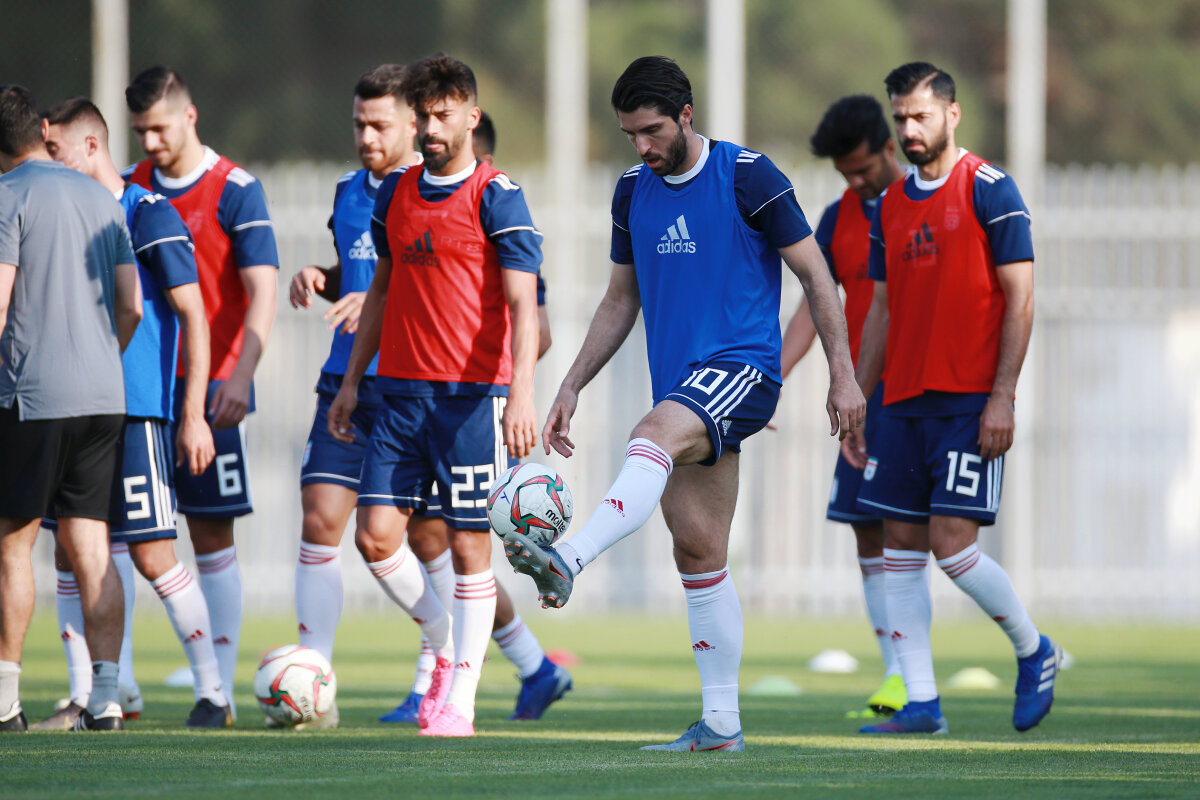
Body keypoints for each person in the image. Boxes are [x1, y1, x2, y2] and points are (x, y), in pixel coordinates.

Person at [503, 56, 865, 751]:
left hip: (742, 370)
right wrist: (572, 382)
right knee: (698, 551)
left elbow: (817, 276)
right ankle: (721, 725)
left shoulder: (748, 175)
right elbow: (620, 299)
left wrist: (841, 376)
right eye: (630, 134)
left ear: (686, 115)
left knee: (650, 437)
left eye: (653, 130)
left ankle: (567, 559)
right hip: (681, 387)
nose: (642, 145)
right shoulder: (630, 192)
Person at [286, 67, 566, 727]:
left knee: (468, 549)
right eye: (426, 116)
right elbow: (379, 292)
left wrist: (521, 393)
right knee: (376, 538)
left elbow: (525, 307)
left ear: (471, 116)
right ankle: (444, 643)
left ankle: (459, 705)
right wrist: (351, 382)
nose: (433, 129)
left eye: (445, 115)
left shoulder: (499, 197)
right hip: (399, 396)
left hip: (471, 401)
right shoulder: (396, 193)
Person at [851, 62, 1060, 735]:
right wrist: (858, 397)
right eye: (900, 118)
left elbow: (1021, 299)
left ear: (952, 114)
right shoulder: (890, 205)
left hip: (969, 401)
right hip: (901, 402)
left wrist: (1003, 397)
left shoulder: (991, 189)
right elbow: (881, 310)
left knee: (952, 545)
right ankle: (921, 703)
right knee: (899, 544)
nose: (909, 129)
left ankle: (1034, 649)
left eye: (920, 115)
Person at [34, 97, 231, 730]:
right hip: (70, 407)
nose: (48, 162)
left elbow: (194, 315)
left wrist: (192, 414)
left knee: (153, 553)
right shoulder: (62, 216)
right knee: (68, 552)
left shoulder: (146, 212)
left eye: (55, 150)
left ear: (91, 146)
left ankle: (214, 692)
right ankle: (88, 694)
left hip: (137, 410)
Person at [124, 67, 280, 719]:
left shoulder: (235, 189)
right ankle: (115, 685)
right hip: (141, 393)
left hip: (212, 391)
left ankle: (217, 689)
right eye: (140, 131)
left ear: (189, 116)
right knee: (119, 535)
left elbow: (263, 290)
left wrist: (241, 375)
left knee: (211, 534)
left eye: (159, 128)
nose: (150, 142)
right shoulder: (130, 188)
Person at [0, 84, 142, 732]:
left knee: (13, 546)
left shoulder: (8, 196)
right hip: (102, 396)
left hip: (33, 395)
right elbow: (131, 304)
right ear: (41, 130)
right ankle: (106, 699)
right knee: (91, 545)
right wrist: (100, 359)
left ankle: (5, 703)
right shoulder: (99, 196)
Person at [778, 95, 908, 719]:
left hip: (921, 394)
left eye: (863, 169)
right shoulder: (838, 218)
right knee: (866, 528)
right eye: (845, 174)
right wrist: (772, 376)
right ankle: (898, 677)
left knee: (925, 535)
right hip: (865, 395)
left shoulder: (924, 204)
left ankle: (923, 674)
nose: (856, 183)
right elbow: (816, 300)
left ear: (889, 147)